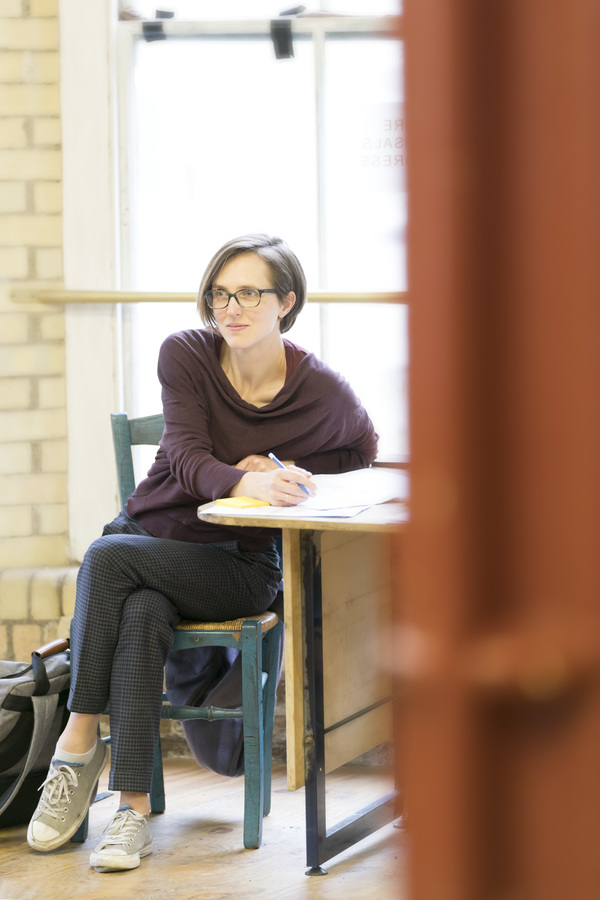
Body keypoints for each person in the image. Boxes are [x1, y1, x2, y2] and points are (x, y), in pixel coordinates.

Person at [27, 233, 378, 872]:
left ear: (286, 302)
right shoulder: (186, 353)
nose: (231, 307)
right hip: (149, 538)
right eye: (220, 293)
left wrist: (286, 471)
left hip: (237, 566)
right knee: (136, 613)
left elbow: (362, 452)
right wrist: (247, 476)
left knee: (105, 563)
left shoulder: (322, 389)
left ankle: (77, 743)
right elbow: (187, 461)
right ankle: (131, 810)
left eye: (249, 292)